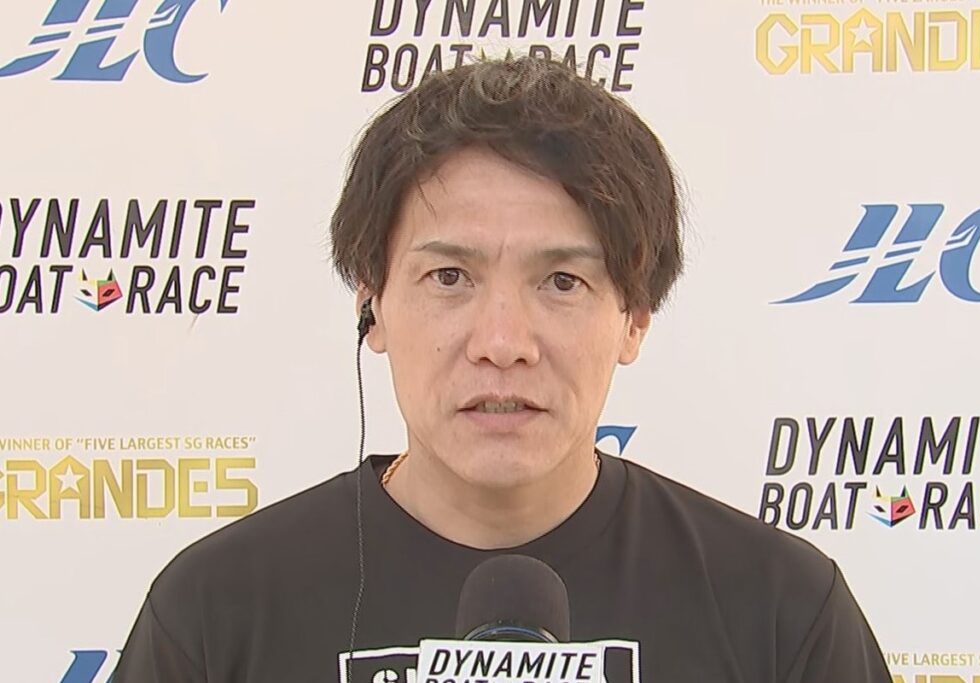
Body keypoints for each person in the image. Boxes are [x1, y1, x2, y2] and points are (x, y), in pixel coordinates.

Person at [113, 57, 891, 682]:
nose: (503, 341)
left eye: (562, 281)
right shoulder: (216, 613)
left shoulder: (781, 612)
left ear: (635, 316)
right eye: (449, 277)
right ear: (372, 305)